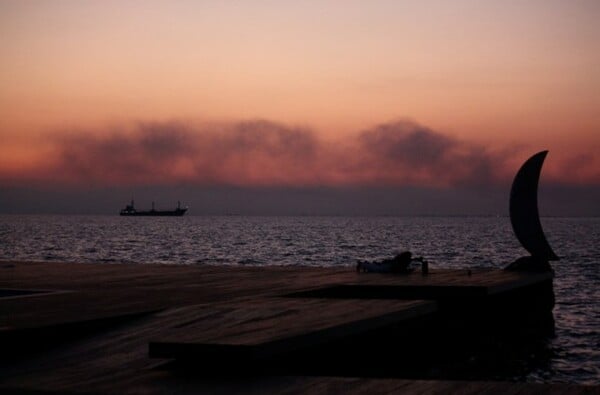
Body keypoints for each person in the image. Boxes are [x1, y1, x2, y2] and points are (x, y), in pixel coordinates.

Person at [356, 251, 424, 273]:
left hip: (388, 266)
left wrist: (418, 259)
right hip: (388, 267)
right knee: (376, 269)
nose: (410, 258)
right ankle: (362, 264)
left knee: (377, 267)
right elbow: (398, 269)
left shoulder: (405, 260)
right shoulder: (400, 262)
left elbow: (413, 260)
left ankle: (365, 264)